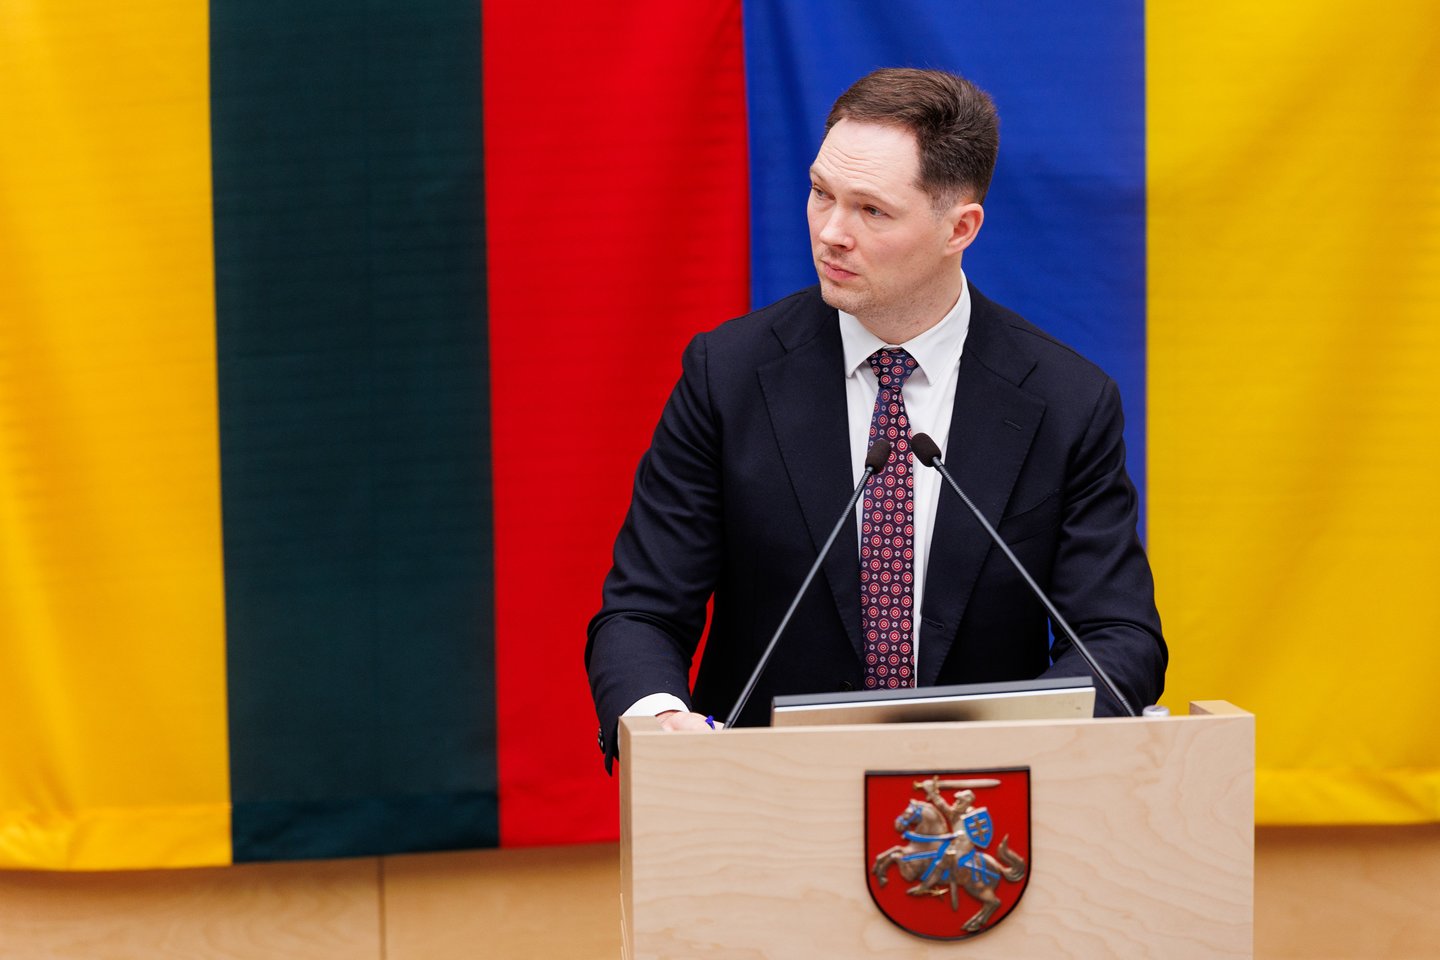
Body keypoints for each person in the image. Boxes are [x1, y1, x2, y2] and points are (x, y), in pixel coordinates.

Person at [586, 68, 1166, 770]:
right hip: (760, 796)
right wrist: (658, 721)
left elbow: (1117, 636)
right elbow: (642, 612)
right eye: (821, 193)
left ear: (960, 228)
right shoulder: (727, 377)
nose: (831, 232)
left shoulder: (1066, 402)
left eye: (871, 211)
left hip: (978, 807)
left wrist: (1018, 750)